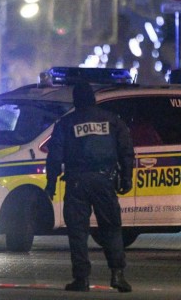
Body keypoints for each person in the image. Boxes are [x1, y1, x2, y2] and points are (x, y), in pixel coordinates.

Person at [44, 80, 134, 293]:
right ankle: (118, 275)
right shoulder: (112, 120)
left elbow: (54, 155)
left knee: (77, 231)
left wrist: (51, 182)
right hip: (104, 181)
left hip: (76, 182)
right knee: (111, 228)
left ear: (75, 100)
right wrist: (127, 178)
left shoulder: (66, 123)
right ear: (93, 99)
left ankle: (81, 279)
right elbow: (126, 150)